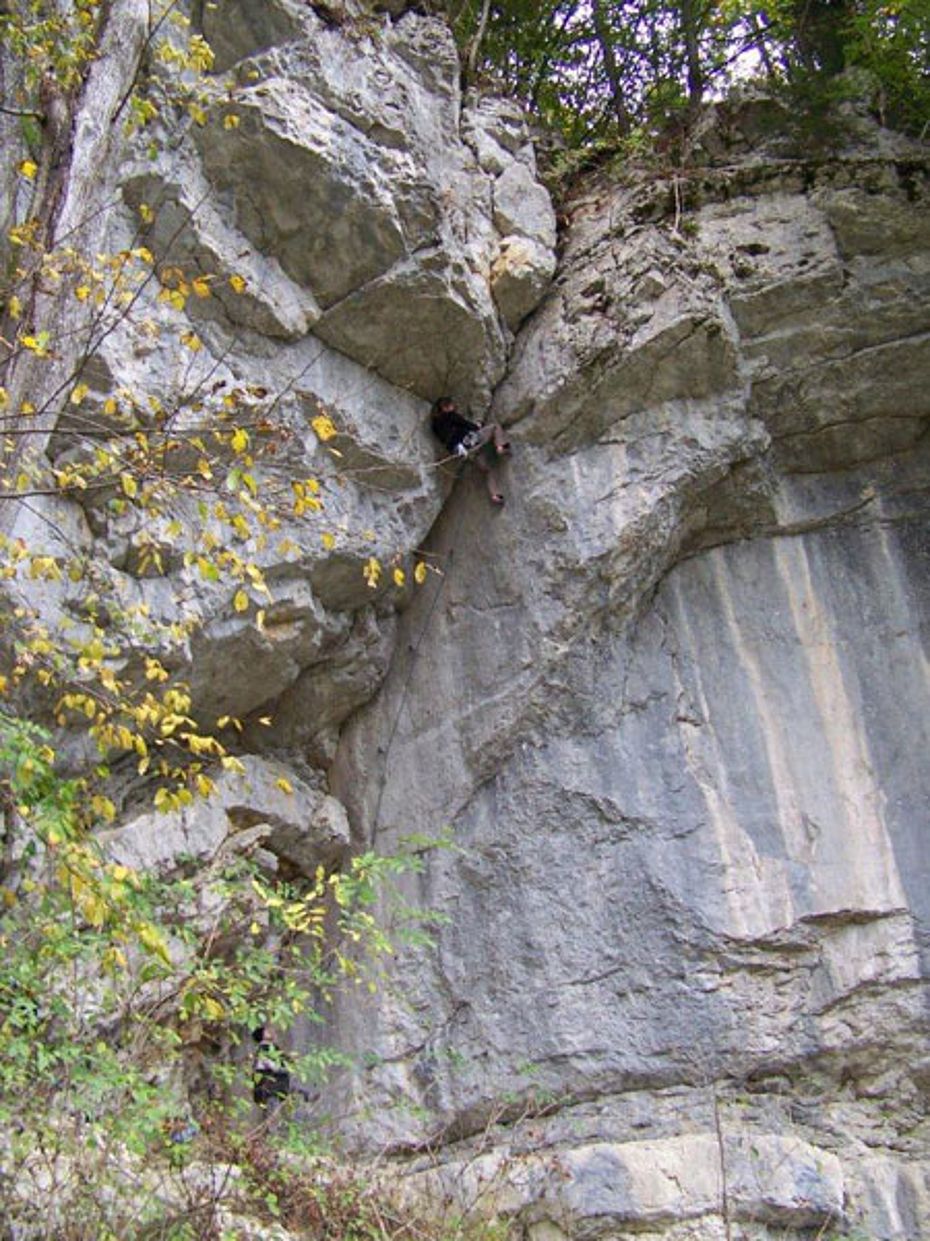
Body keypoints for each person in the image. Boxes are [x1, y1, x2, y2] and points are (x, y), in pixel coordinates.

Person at [429, 397, 510, 506]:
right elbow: (466, 424)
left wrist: (456, 448)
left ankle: (495, 495)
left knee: (487, 470)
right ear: (446, 407)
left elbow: (445, 439)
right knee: (495, 427)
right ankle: (500, 447)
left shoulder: (435, 426)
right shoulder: (451, 416)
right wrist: (477, 426)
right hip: (470, 440)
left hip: (466, 451)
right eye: (451, 405)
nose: (453, 407)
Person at [251, 1025, 291, 1111]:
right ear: (261, 1035)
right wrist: (279, 1068)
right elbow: (267, 1062)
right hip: (268, 1080)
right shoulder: (264, 1048)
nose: (271, 1032)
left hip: (271, 1079)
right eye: (267, 1032)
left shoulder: (272, 1047)